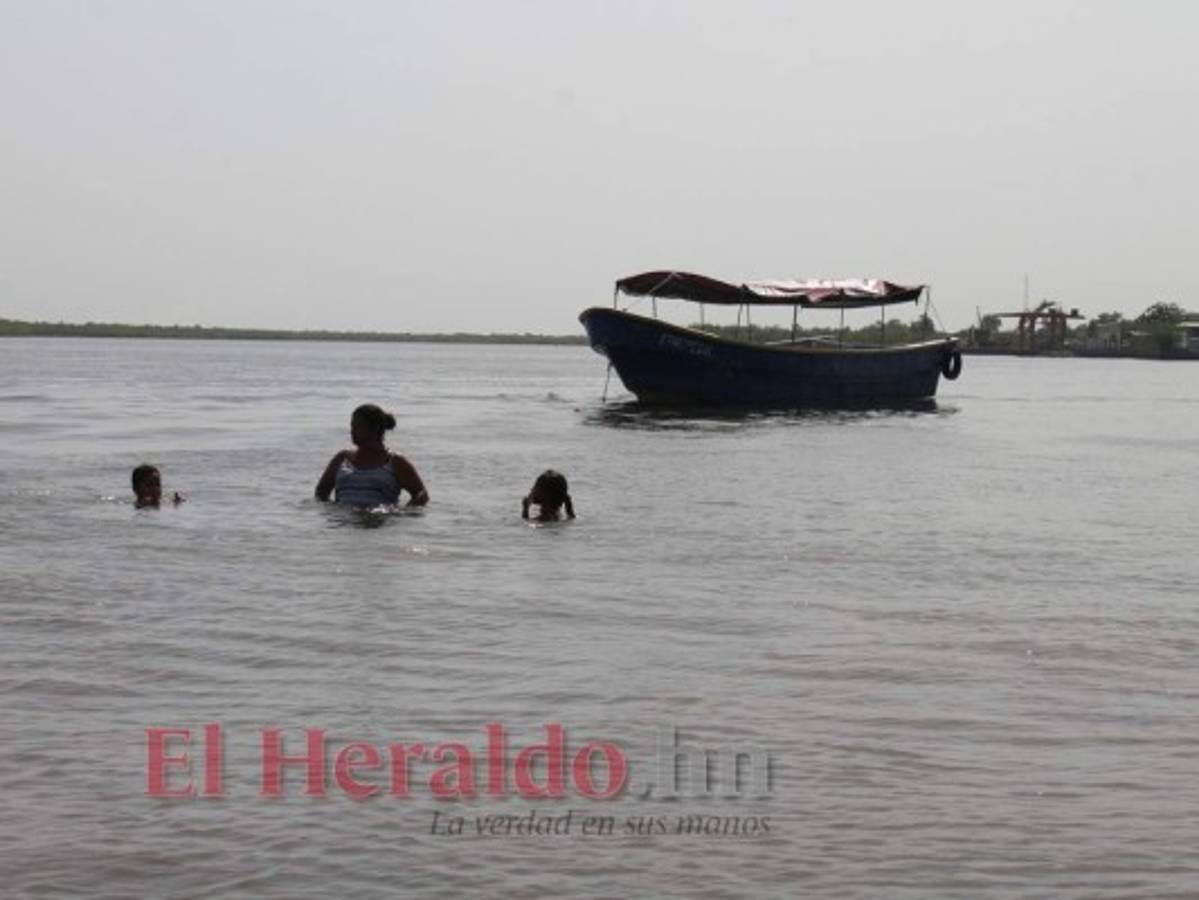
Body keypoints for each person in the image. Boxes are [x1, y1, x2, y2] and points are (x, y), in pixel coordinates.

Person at [315, 403, 428, 507]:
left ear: (374, 429)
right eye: (352, 426)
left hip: (378, 525)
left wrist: (400, 514)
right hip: (345, 526)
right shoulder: (342, 459)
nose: (352, 431)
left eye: (357, 426)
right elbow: (321, 493)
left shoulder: (395, 462)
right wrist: (332, 516)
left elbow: (421, 494)